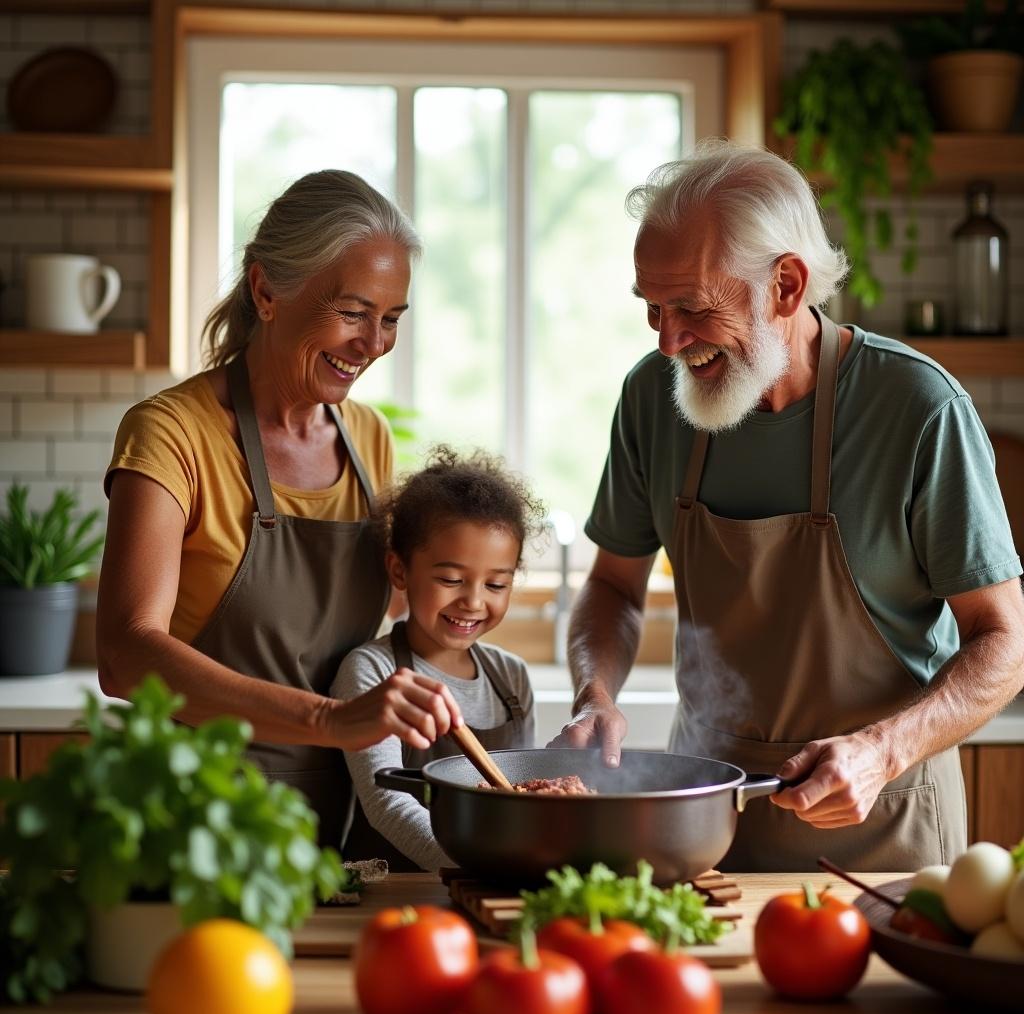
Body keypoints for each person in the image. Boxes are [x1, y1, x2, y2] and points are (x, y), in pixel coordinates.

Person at [554, 140, 1024, 871]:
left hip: (883, 829)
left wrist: (879, 751)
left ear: (786, 285)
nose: (669, 340)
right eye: (652, 308)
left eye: (693, 308)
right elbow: (613, 585)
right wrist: (594, 694)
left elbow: (1005, 643)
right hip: (706, 821)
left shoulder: (917, 407)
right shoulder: (653, 399)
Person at [96, 170, 463, 849]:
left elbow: (377, 627)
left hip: (344, 832)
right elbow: (124, 656)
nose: (373, 343)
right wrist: (329, 719)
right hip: (198, 826)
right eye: (353, 313)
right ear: (267, 291)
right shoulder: (172, 433)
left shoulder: (368, 439)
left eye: (390, 320)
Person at [332, 446, 544, 870]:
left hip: (488, 885)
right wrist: (477, 868)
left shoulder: (511, 680)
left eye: (496, 585)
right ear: (399, 571)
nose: (473, 601)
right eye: (451, 579)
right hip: (394, 892)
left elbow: (521, 797)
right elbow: (385, 802)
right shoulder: (373, 672)